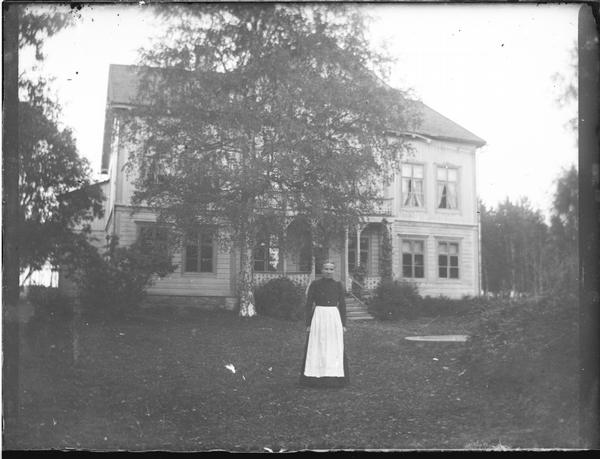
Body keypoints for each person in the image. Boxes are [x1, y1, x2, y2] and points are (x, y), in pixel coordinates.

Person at [299, 260, 349, 388]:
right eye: (326, 269)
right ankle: (315, 377)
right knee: (318, 344)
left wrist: (343, 324)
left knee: (333, 346)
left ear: (334, 271)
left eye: (331, 269)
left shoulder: (338, 285)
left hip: (333, 317)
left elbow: (342, 305)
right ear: (322, 270)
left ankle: (333, 377)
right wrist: (308, 323)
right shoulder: (315, 284)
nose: (328, 271)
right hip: (319, 317)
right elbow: (309, 304)